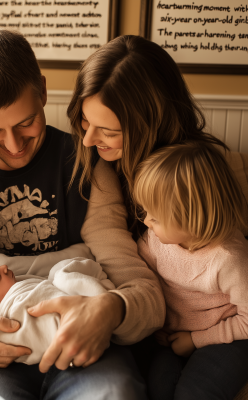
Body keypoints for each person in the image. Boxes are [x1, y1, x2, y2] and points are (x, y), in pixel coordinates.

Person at [0, 30, 165, 400]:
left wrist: (112, 309)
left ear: (44, 92)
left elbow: (144, 291)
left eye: (25, 123)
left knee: (115, 392)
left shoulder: (85, 168)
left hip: (84, 352)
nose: (14, 146)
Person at [66, 34, 248, 398]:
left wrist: (198, 339)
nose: (88, 140)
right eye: (86, 122)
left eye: (109, 130)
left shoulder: (203, 175)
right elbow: (119, 256)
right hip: (149, 319)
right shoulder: (99, 165)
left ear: (147, 123)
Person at [134, 142, 248, 400]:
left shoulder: (229, 259)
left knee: (195, 393)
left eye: (157, 217)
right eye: (146, 211)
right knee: (158, 390)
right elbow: (139, 280)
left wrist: (196, 339)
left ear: (194, 218)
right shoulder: (154, 238)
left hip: (226, 335)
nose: (146, 220)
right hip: (170, 336)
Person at [0, 249, 115, 365]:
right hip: (77, 336)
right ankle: (100, 291)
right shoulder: (16, 303)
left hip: (86, 332)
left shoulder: (14, 286)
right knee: (61, 275)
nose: (4, 267)